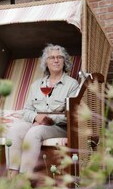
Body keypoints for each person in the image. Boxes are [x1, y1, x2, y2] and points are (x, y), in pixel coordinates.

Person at [6, 44, 79, 178]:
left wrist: (46, 120)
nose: (56, 60)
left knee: (35, 132)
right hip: (36, 122)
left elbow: (72, 115)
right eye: (52, 57)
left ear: (64, 61)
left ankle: (24, 179)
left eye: (59, 57)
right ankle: (12, 175)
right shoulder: (36, 85)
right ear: (46, 62)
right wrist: (36, 118)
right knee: (13, 130)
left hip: (59, 127)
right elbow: (26, 110)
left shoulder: (72, 84)